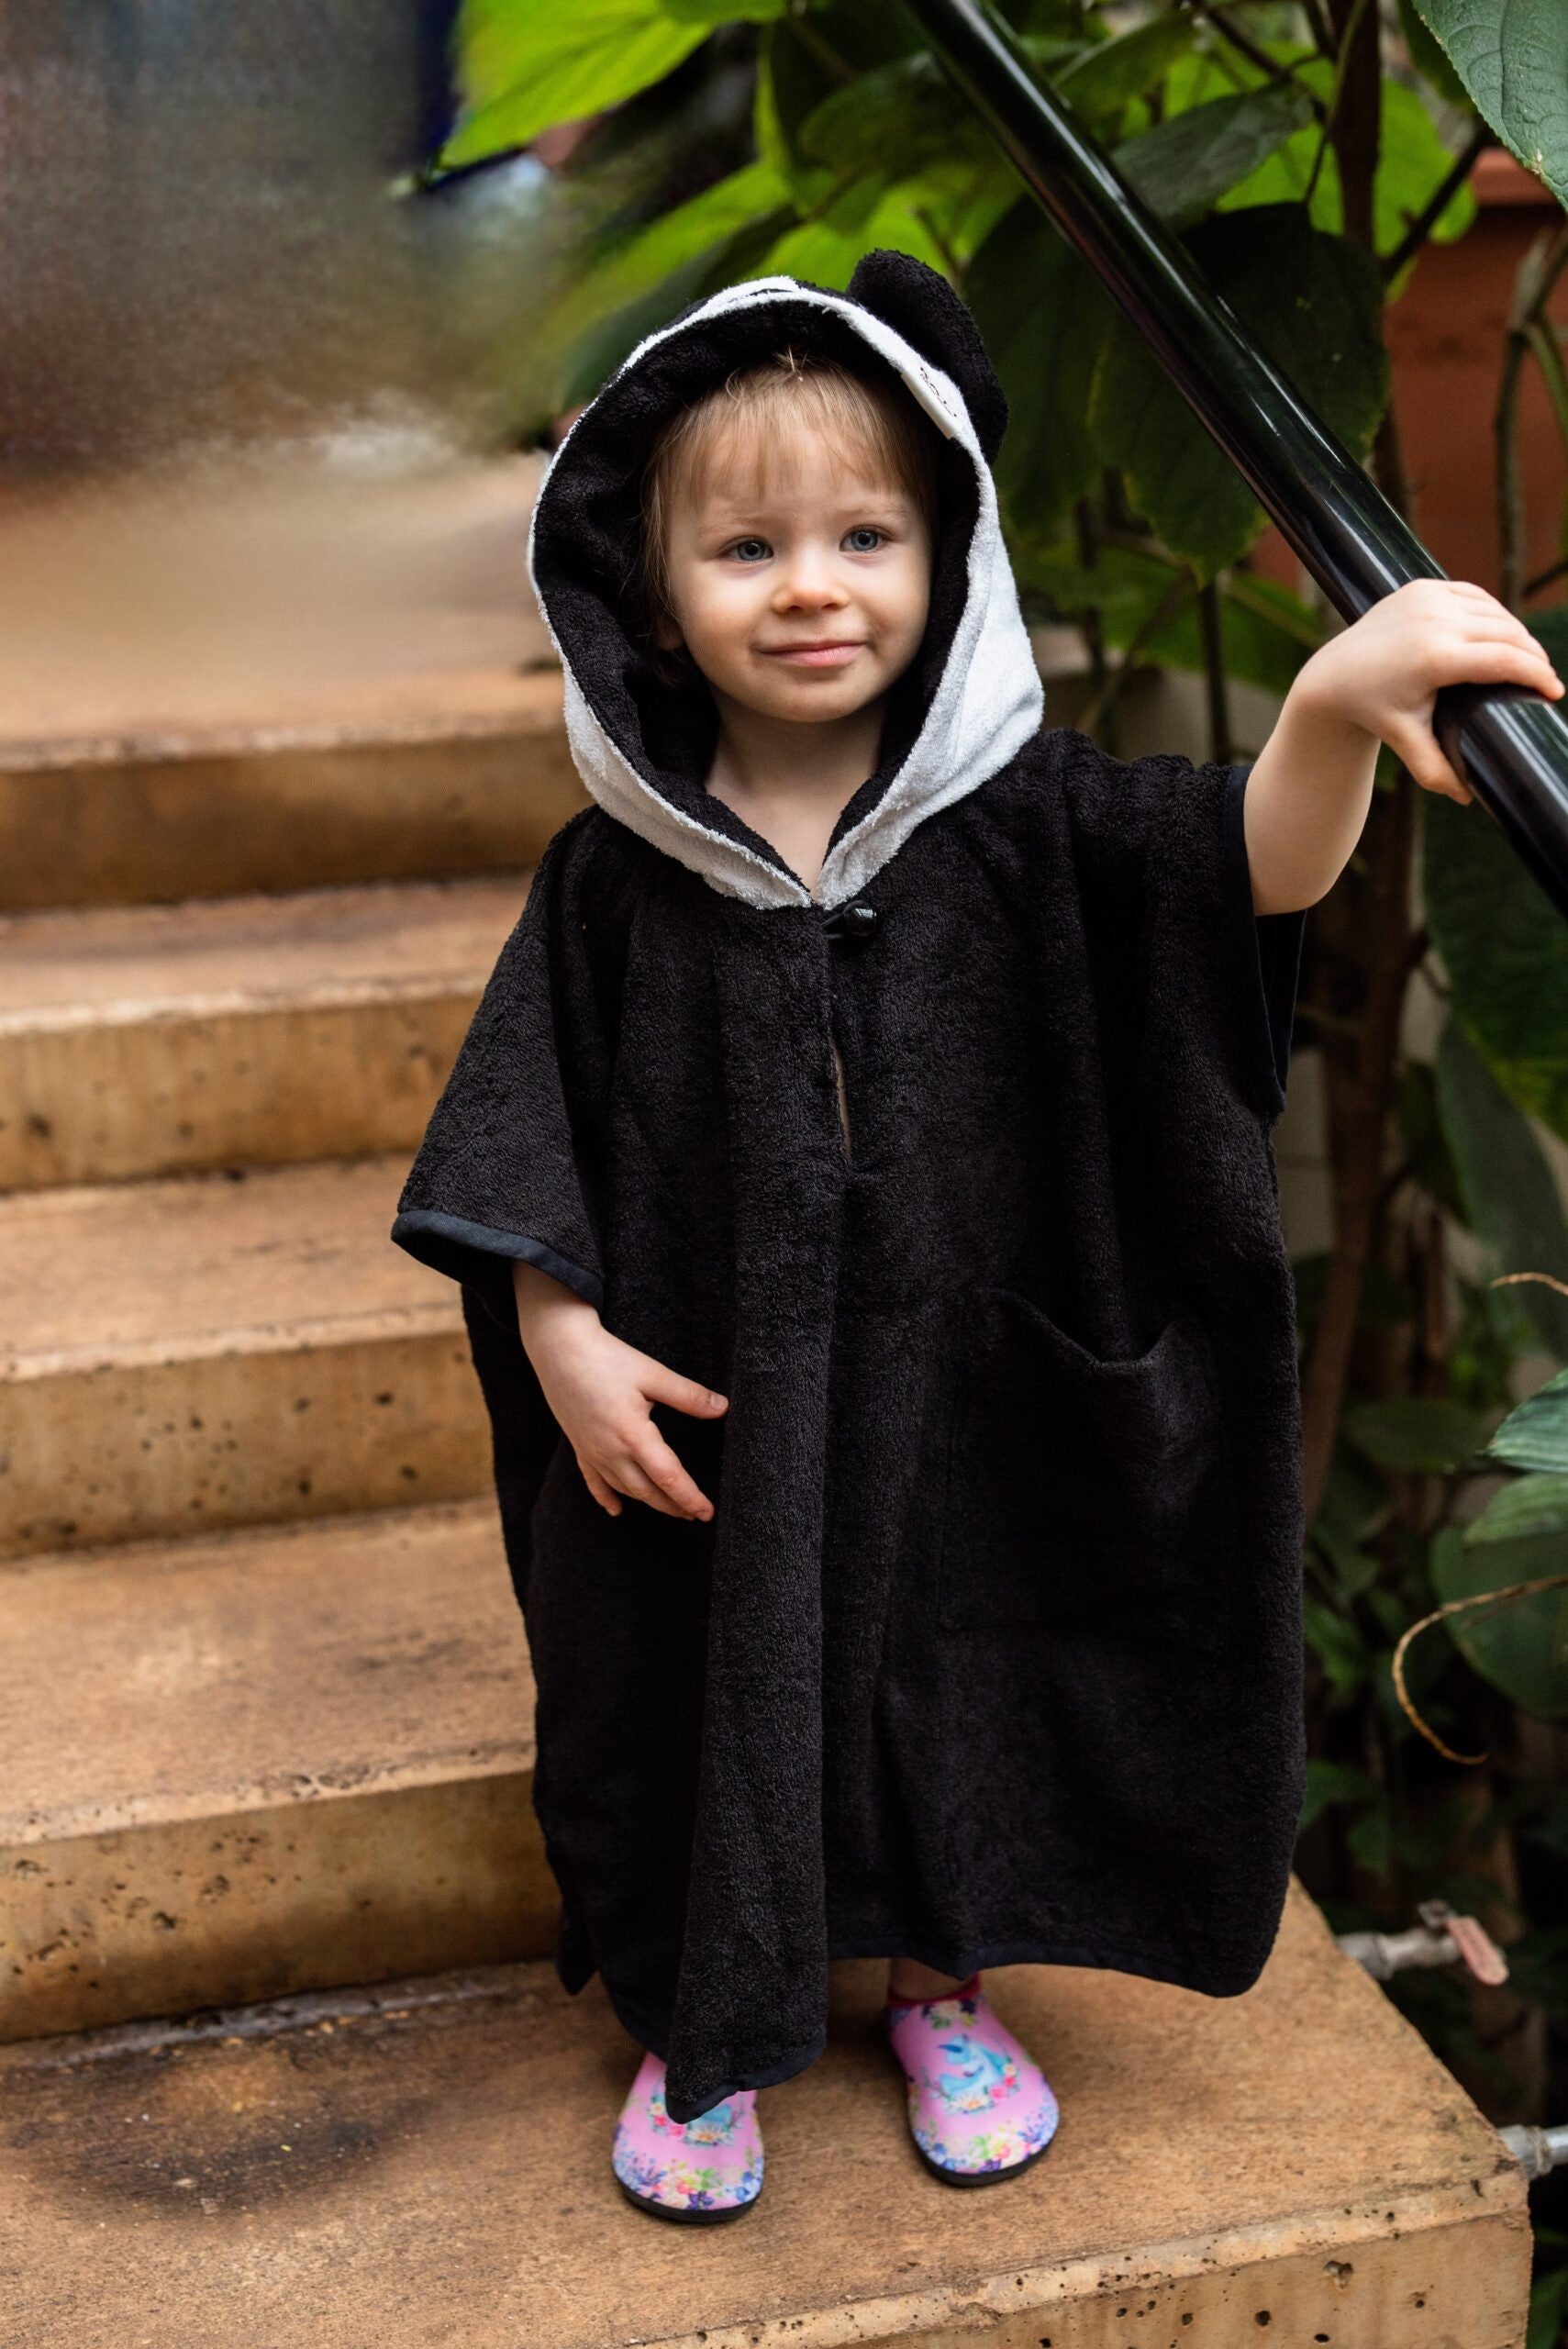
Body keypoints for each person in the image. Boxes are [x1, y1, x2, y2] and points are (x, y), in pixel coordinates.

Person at [391, 251, 1562, 2223]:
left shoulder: (1028, 826)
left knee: (964, 1666)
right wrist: (560, 1331)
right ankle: (708, 2017)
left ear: (947, 553)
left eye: (865, 533)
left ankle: (946, 1975)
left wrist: (1337, 709)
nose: (812, 583)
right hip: (712, 1403)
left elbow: (1242, 876)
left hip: (968, 1379)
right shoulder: (616, 883)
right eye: (746, 544)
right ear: (649, 592)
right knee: (698, 1693)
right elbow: (523, 1133)